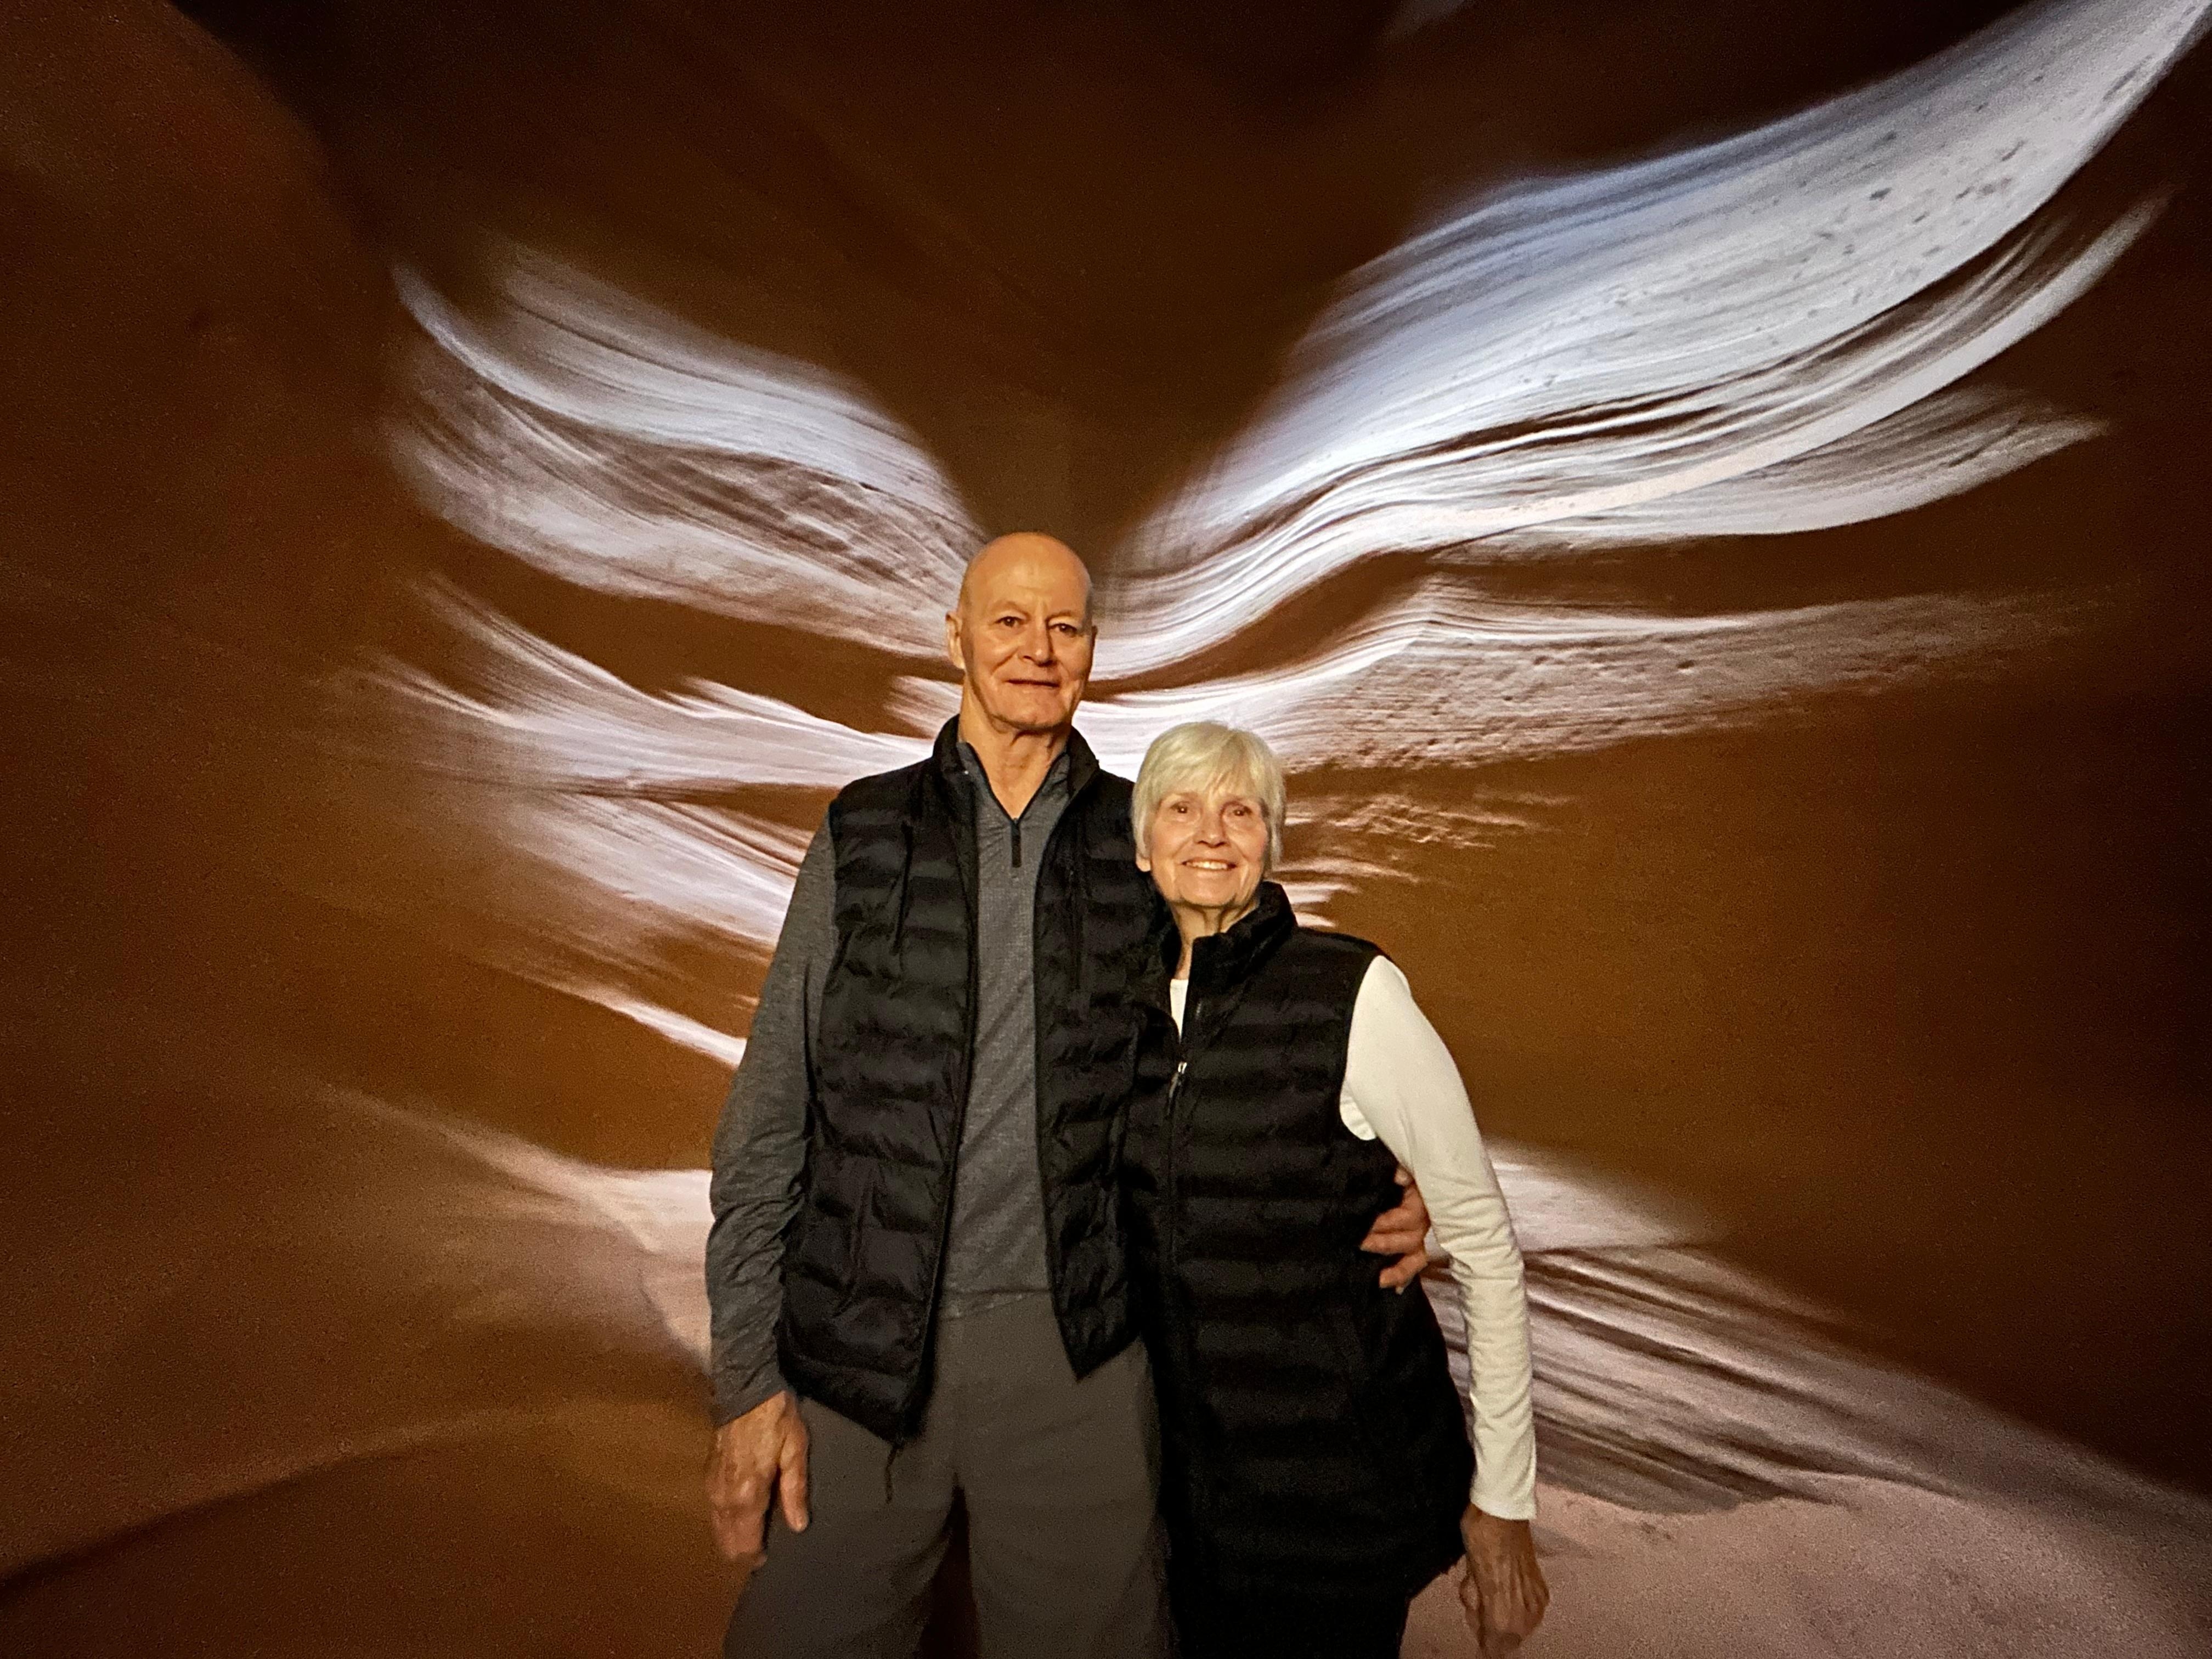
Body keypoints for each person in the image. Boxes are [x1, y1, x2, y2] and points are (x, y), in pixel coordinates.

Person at [703, 534, 1434, 1659]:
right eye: (1008, 622)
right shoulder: (862, 830)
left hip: (1078, 1356)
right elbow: (770, 1115)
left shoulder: (1147, 836)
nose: (1036, 650)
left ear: (1093, 651)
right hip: (856, 1352)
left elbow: (1264, 1023)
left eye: (1064, 628)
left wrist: (1386, 1169)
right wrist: (749, 1379)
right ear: (956, 636)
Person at [1122, 721, 1550, 1659]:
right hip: (1185, 1508)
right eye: (1182, 808)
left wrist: (1504, 1501)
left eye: (1241, 812)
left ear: (1272, 842)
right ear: (1142, 842)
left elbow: (1482, 1240)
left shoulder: (1352, 992)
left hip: (1336, 1502)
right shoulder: (1115, 1007)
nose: (1211, 833)